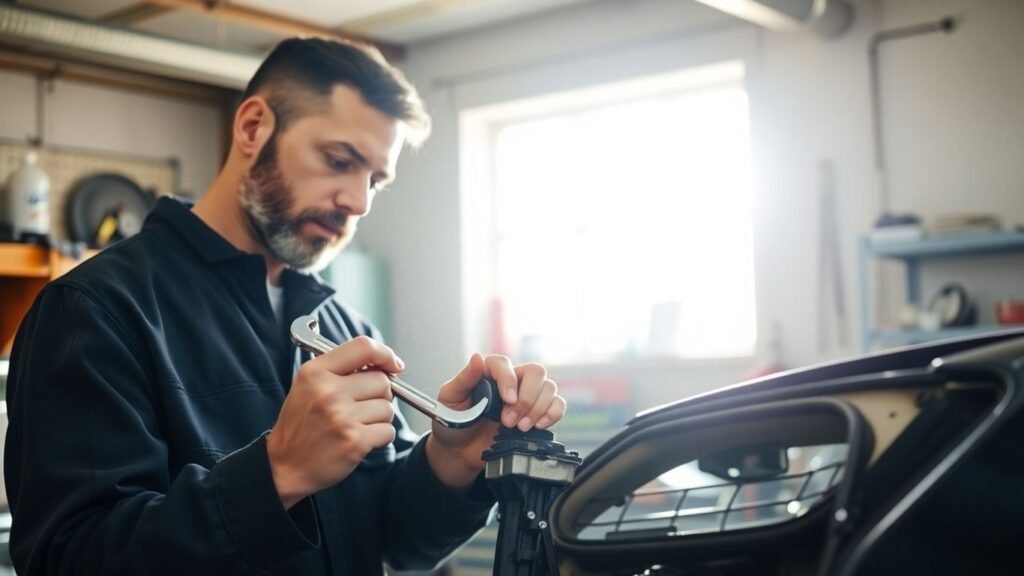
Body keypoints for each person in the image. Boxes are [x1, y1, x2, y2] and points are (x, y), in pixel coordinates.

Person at [4, 38, 566, 575]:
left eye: (375, 180)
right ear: (253, 128)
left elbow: (395, 539)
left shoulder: (343, 328)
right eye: (339, 160)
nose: (358, 202)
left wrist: (450, 461)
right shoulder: (96, 312)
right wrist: (278, 472)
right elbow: (69, 560)